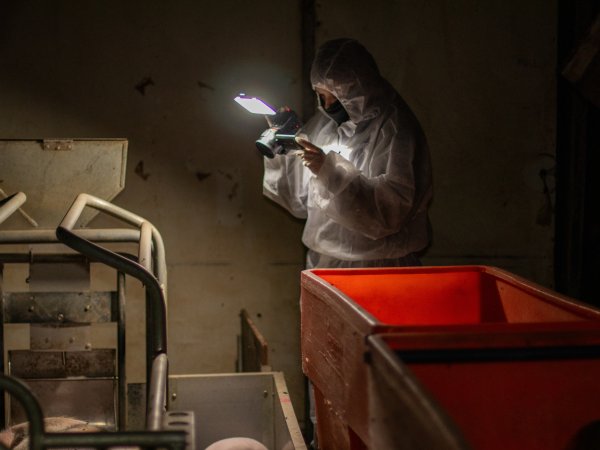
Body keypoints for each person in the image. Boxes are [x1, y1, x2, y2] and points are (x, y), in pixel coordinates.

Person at [263, 38, 432, 270]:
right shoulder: (324, 124)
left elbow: (389, 215)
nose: (328, 105)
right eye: (321, 96)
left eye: (336, 96)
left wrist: (328, 171)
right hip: (323, 263)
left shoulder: (394, 129)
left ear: (360, 88)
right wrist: (284, 146)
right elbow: (299, 201)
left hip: (381, 266)